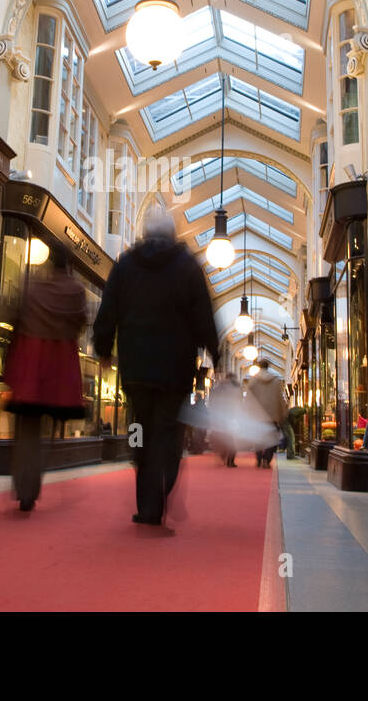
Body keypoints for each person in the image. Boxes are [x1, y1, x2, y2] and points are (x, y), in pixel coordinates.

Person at [94, 207, 219, 526]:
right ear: (173, 234)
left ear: (145, 233)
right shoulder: (188, 267)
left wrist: (104, 347)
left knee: (140, 429)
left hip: (136, 367)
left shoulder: (126, 265)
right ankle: (164, 479)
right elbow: (203, 315)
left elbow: (109, 309)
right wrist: (215, 353)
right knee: (168, 430)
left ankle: (147, 501)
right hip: (175, 369)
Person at [3, 240, 88, 512]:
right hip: (59, 363)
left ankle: (24, 485)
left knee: (27, 426)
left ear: (50, 261)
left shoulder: (33, 286)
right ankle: (33, 481)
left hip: (31, 360)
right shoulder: (76, 291)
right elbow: (80, 322)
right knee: (49, 429)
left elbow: (15, 316)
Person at [244, 360, 288, 468]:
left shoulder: (253, 381)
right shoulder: (276, 381)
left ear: (259, 366)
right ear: (268, 367)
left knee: (258, 438)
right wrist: (283, 413)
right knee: (273, 439)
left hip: (256, 416)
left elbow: (248, 398)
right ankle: (267, 459)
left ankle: (259, 459)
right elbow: (280, 398)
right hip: (272, 416)